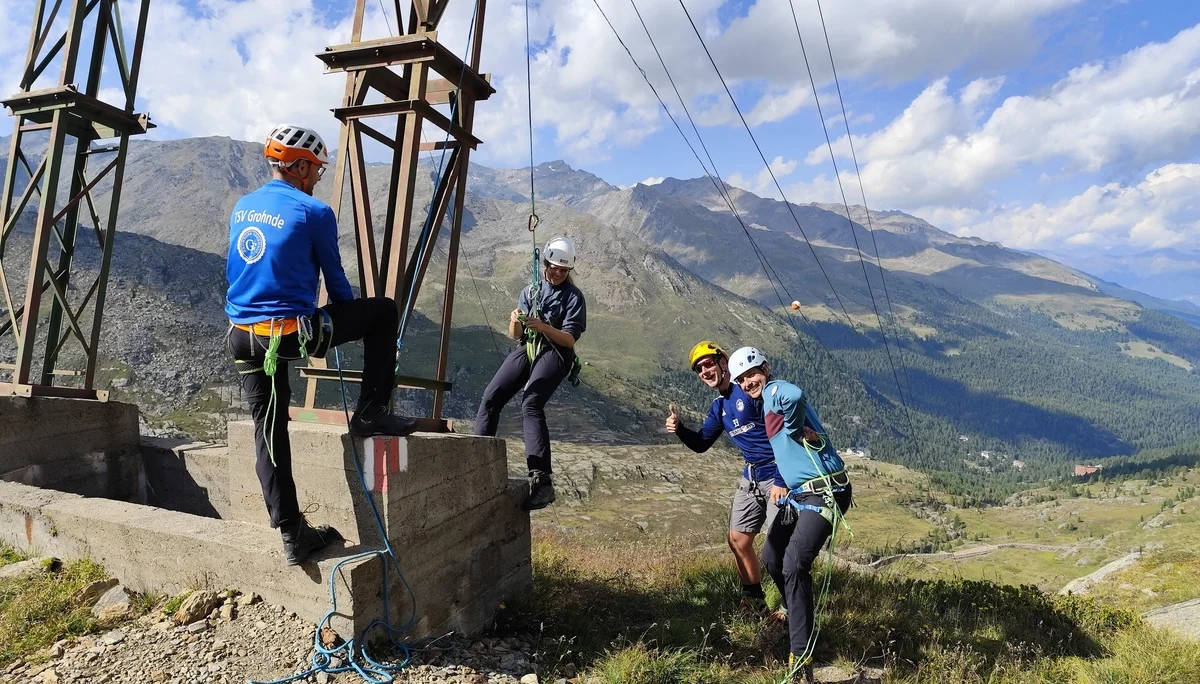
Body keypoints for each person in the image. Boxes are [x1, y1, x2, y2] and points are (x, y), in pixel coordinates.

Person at [226, 123, 418, 567]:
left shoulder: (243, 205)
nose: (317, 177)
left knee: (268, 430)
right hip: (290, 334)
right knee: (383, 312)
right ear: (298, 166)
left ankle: (292, 534)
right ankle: (369, 413)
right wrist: (346, 319)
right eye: (315, 169)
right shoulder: (313, 211)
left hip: (241, 336)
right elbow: (336, 281)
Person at [727, 346, 852, 684]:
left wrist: (795, 428)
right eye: (742, 380)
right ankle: (799, 617)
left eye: (752, 373)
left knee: (794, 564)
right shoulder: (765, 404)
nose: (748, 382)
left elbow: (794, 395)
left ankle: (801, 658)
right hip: (801, 494)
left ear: (765, 368)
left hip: (826, 491)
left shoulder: (773, 391)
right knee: (772, 557)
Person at [665, 341, 786, 616]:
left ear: (723, 362)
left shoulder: (747, 390)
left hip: (776, 475)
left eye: (708, 363)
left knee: (779, 547)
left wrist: (781, 479)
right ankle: (754, 602)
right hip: (751, 477)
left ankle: (791, 607)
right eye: (699, 369)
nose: (704, 371)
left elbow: (781, 434)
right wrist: (680, 428)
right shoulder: (719, 406)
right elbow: (701, 443)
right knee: (738, 540)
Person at [474, 236, 586, 511]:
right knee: (491, 398)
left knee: (531, 403)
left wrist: (544, 326)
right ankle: (476, 462)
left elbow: (569, 339)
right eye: (554, 268)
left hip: (556, 352)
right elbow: (516, 335)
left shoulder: (573, 297)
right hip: (529, 345)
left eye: (563, 270)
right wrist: (515, 320)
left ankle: (542, 481)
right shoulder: (531, 291)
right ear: (545, 264)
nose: (558, 274)